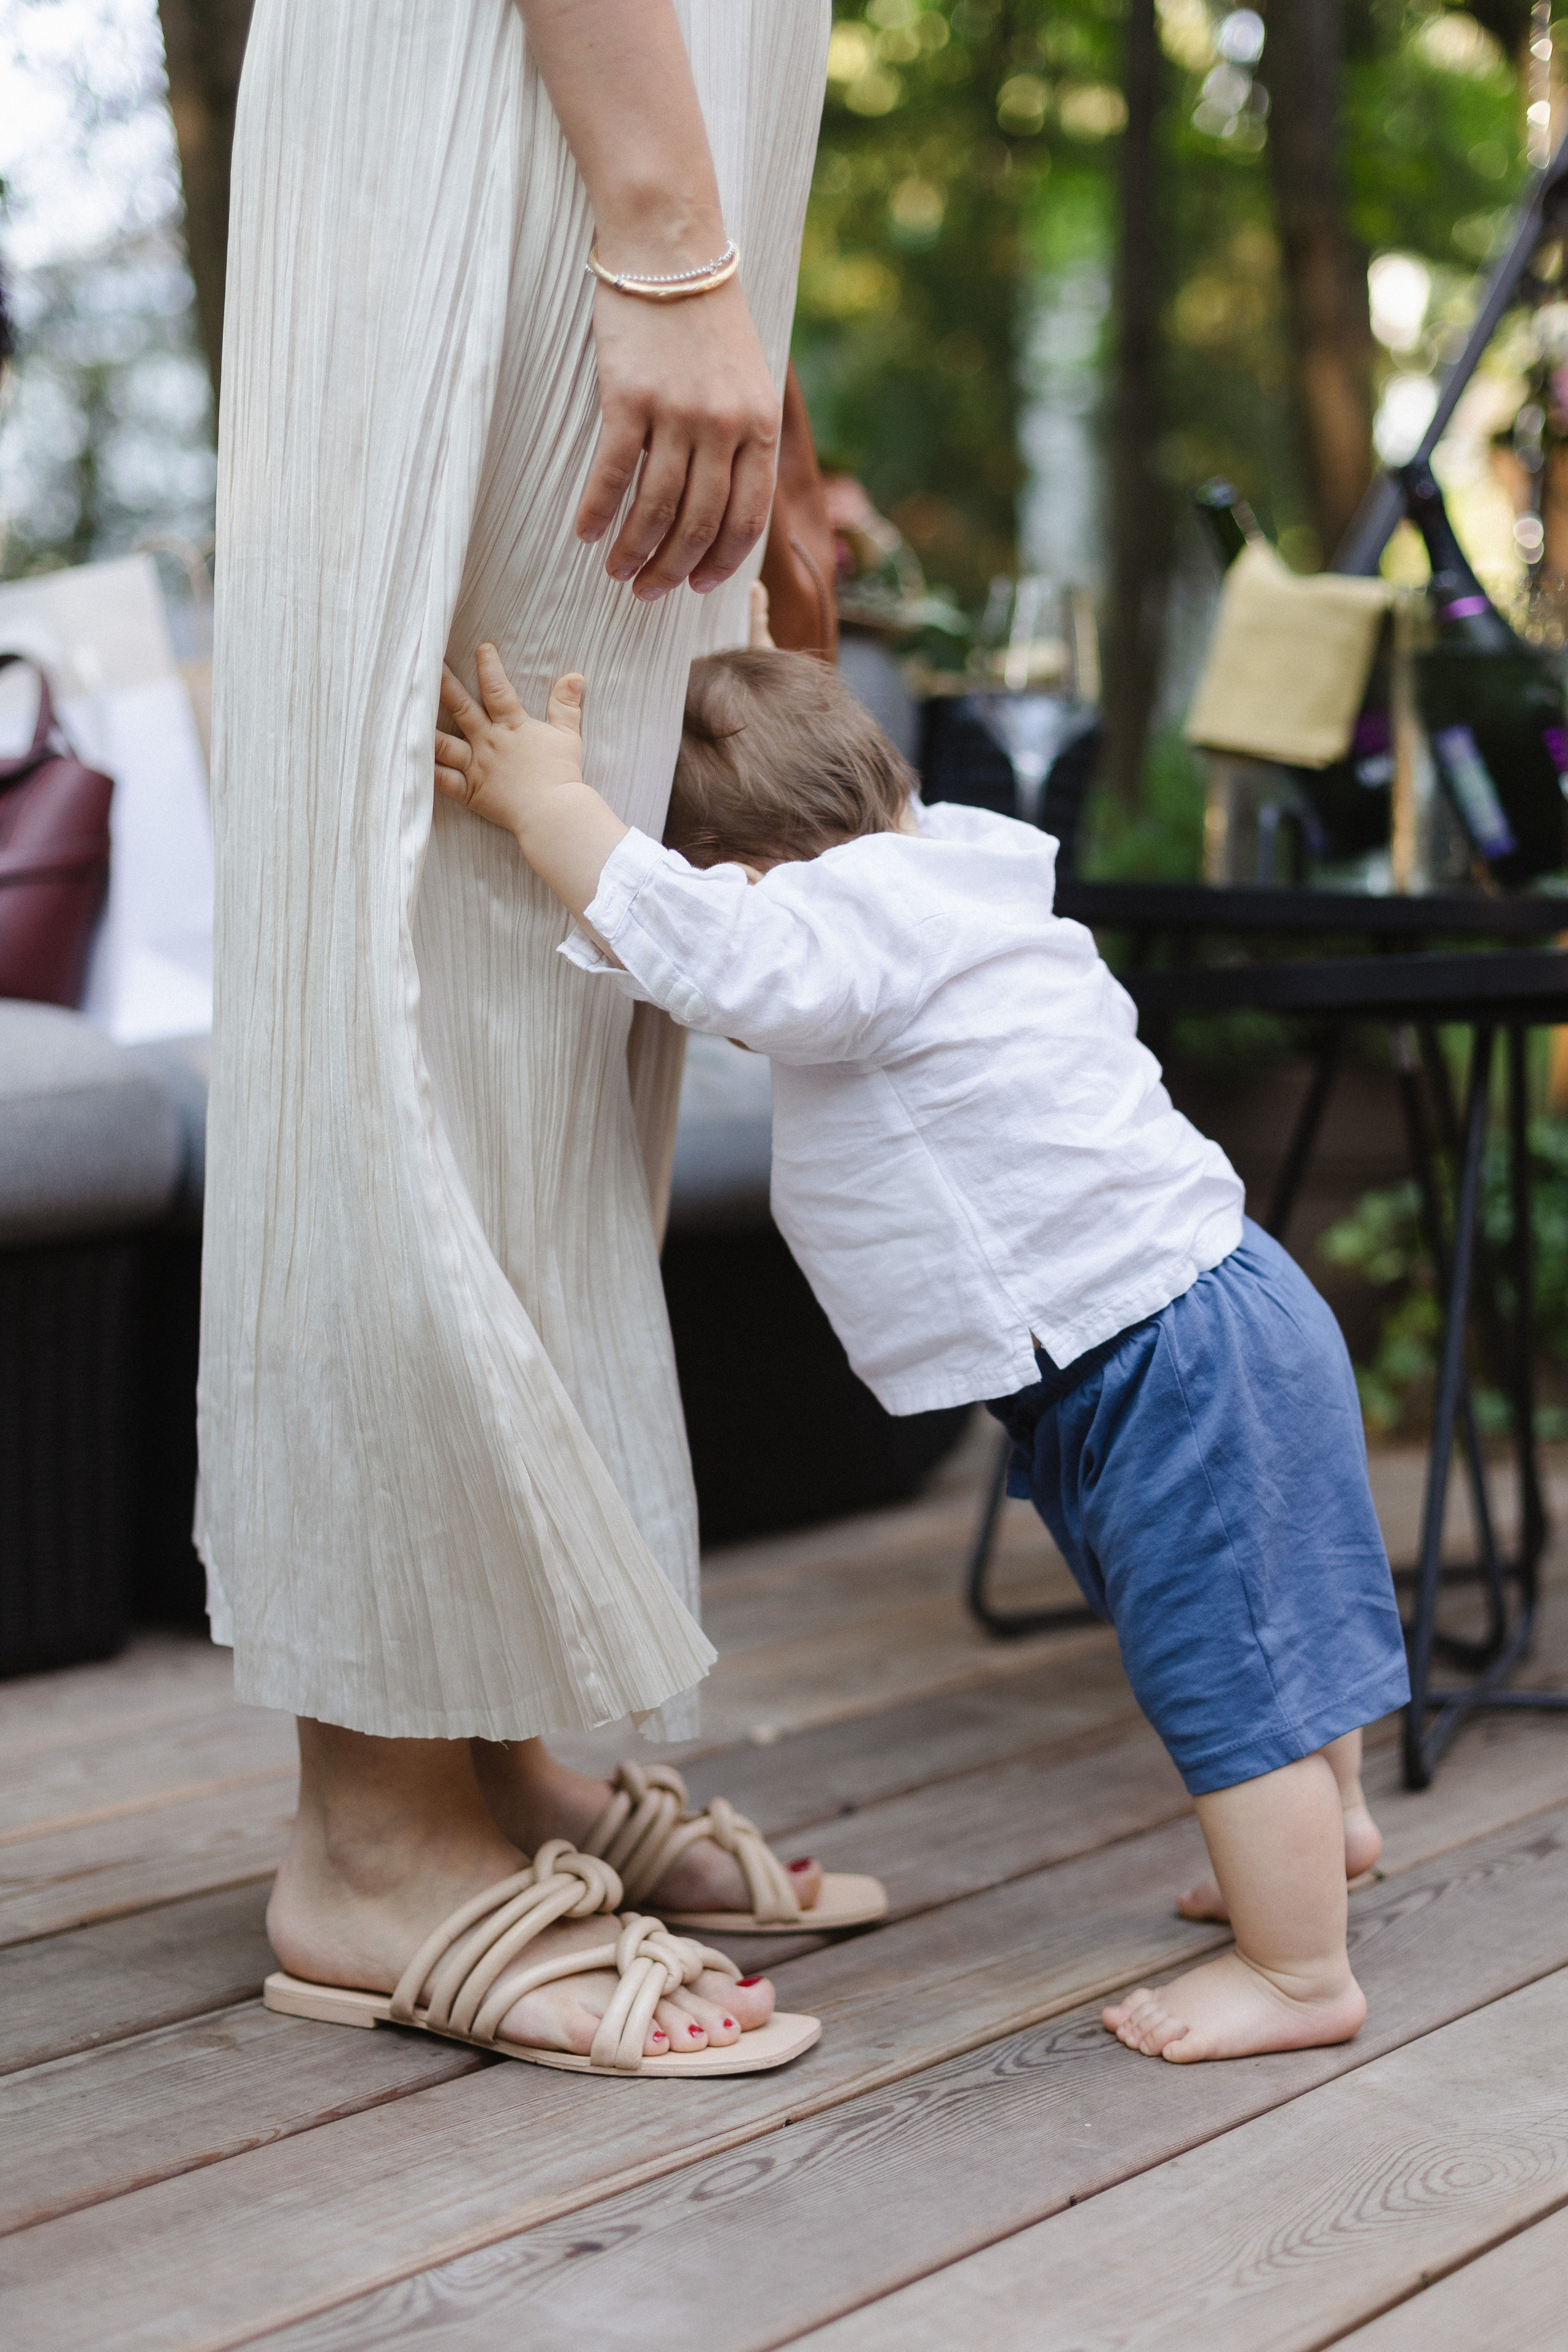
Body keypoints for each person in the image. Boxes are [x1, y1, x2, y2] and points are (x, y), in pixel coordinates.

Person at [429, 623, 1412, 2066]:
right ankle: (1323, 1832)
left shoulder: (854, 913)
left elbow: (723, 958)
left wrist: (549, 808)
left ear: (751, 878)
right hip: (1200, 1316)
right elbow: (742, 933)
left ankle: (1295, 1968)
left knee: (1223, 1671)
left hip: (1161, 1356)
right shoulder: (942, 870)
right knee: (1262, 1621)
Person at [202, 0, 877, 2078]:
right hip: (499, 111)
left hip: (642, 132)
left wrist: (749, 336)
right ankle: (374, 1832)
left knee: (560, 980)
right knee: (423, 906)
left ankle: (488, 1751)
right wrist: (666, 232)